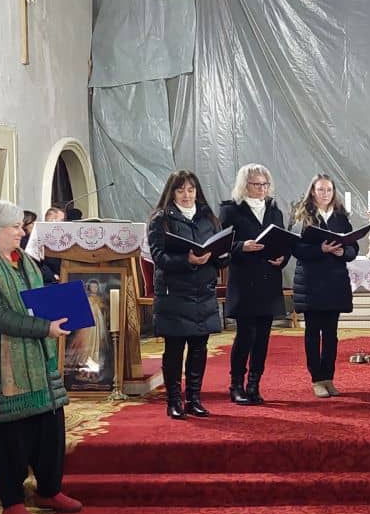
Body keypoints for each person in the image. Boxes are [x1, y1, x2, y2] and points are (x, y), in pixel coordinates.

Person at [0, 199, 83, 514]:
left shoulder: (23, 260)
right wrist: (44, 327)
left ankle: (49, 490)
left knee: (48, 426)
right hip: (0, 364)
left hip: (37, 358)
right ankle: (11, 501)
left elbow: (35, 300)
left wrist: (61, 304)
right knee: (9, 434)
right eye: (15, 226)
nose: (21, 232)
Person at [146, 170, 228, 420]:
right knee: (174, 349)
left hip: (203, 292)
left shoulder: (208, 217)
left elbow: (221, 253)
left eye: (191, 190)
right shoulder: (161, 219)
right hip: (175, 293)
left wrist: (220, 255)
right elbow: (159, 257)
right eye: (180, 190)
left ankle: (194, 399)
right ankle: (174, 401)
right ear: (172, 193)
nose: (186, 195)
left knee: (199, 348)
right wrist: (188, 260)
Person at [220, 163, 289, 404]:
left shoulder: (274, 211)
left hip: (269, 280)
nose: (262, 189)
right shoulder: (231, 210)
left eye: (265, 184)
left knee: (263, 338)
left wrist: (283, 257)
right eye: (256, 184)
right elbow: (221, 246)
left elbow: (283, 241)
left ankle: (254, 384)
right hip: (244, 281)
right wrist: (242, 246)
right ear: (244, 185)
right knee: (245, 336)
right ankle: (236, 384)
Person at [292, 173, 358, 397]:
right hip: (310, 282)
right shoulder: (302, 215)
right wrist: (320, 249)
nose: (325, 194)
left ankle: (329, 378)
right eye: (321, 190)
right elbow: (295, 248)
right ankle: (317, 379)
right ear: (312, 191)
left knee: (331, 334)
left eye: (329, 190)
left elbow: (353, 248)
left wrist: (343, 252)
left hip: (334, 282)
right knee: (313, 332)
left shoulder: (340, 217)